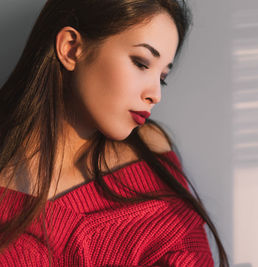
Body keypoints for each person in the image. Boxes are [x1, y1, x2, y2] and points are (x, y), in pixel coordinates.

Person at [0, 0, 229, 266]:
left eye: (162, 77)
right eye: (142, 63)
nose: (155, 95)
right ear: (71, 49)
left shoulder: (152, 155)